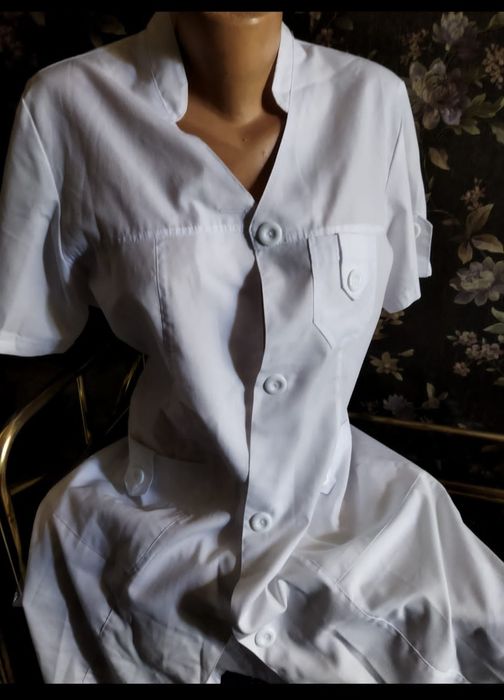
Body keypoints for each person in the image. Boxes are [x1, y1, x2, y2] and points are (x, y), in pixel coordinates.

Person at [0, 11, 503, 684]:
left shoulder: (372, 101)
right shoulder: (65, 108)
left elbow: (392, 285)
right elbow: (35, 324)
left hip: (344, 503)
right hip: (155, 519)